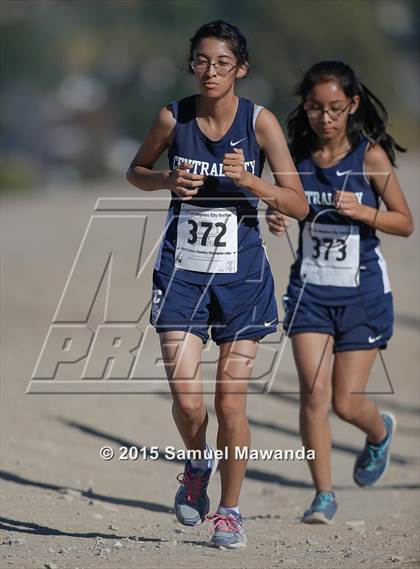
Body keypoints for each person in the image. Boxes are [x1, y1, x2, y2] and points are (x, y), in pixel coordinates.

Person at [127, 20, 308, 547]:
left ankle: (229, 512)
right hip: (182, 275)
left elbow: (296, 204)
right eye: (202, 61)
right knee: (189, 403)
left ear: (241, 70)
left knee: (231, 404)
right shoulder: (172, 116)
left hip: (242, 279)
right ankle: (197, 466)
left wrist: (252, 181)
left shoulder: (260, 123)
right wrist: (164, 178)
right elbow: (135, 169)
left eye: (223, 63)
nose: (211, 72)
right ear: (192, 64)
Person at [266, 60, 414, 524]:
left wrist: (364, 212)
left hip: (362, 295)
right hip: (309, 291)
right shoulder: (294, 159)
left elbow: (404, 223)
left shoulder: (369, 157)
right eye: (314, 108)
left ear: (351, 106)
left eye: (334, 108)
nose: (324, 118)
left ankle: (378, 432)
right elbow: (287, 205)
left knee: (344, 403)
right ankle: (323, 495)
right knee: (312, 395)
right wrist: (277, 215)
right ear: (304, 107)